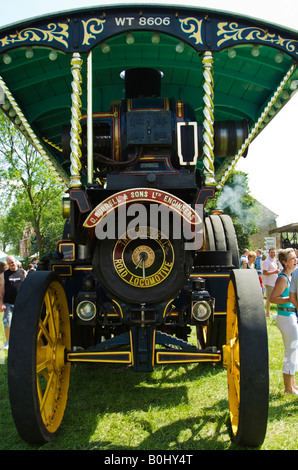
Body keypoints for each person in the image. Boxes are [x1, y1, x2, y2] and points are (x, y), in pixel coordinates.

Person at [271, 248, 298, 395]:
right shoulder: (282, 278)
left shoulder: (292, 276)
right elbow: (273, 298)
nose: (295, 260)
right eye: (292, 258)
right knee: (290, 351)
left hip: (292, 316)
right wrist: (291, 299)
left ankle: (293, 384)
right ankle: (288, 388)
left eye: (295, 257)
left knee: (294, 351)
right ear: (284, 262)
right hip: (286, 317)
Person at [0, 256, 26, 350]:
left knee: (21, 323)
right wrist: (1, 303)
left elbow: (27, 288)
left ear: (16, 261)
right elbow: (1, 290)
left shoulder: (23, 272)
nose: (11, 264)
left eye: (12, 262)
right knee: (7, 323)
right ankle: (8, 342)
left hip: (21, 303)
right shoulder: (3, 275)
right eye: (9, 263)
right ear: (7, 264)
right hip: (8, 303)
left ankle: (21, 341)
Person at [262, 247, 279, 317]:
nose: (273, 254)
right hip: (269, 282)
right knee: (269, 298)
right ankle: (267, 313)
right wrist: (274, 272)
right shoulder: (267, 261)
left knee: (275, 297)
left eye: (274, 252)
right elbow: (264, 272)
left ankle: (276, 312)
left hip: (274, 282)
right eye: (271, 252)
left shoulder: (274, 260)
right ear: (269, 253)